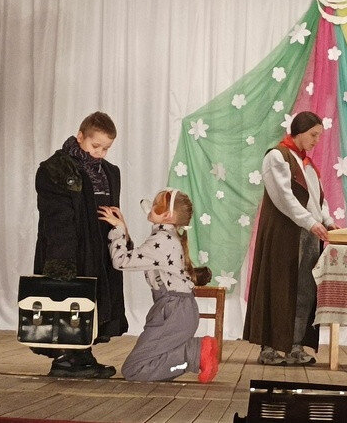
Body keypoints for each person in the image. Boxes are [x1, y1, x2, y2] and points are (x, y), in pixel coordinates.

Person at [32, 111, 127, 378]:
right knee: (68, 298)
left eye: (106, 148)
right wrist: (62, 258)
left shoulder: (109, 172)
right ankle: (64, 358)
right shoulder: (56, 169)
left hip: (99, 245)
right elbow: (56, 218)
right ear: (80, 136)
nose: (100, 153)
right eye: (95, 146)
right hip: (70, 246)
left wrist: (119, 229)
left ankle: (82, 353)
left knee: (91, 301)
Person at [243, 111, 336, 365]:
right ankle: (269, 347)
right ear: (300, 131)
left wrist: (327, 221)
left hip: (308, 234)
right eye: (313, 135)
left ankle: (295, 344)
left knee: (304, 289)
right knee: (279, 287)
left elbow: (318, 198)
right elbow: (284, 198)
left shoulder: (307, 163)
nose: (316, 140)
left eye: (319, 136)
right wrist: (311, 222)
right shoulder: (277, 157)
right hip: (284, 234)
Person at [99, 188, 219, 383]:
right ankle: (192, 353)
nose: (151, 206)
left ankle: (194, 354)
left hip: (173, 312)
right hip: (177, 310)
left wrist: (118, 230)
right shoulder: (166, 237)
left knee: (134, 370)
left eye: (157, 205)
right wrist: (124, 230)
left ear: (168, 215)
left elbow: (122, 261)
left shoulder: (163, 240)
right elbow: (141, 258)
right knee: (143, 366)